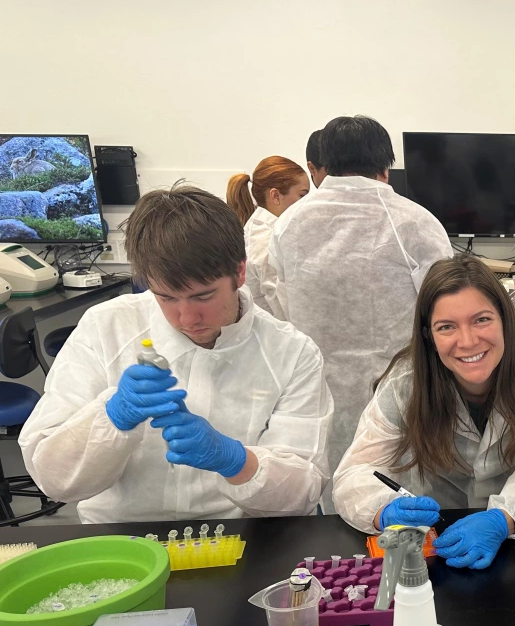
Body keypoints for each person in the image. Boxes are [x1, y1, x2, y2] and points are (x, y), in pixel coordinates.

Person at [20, 185, 334, 524]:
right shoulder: (106, 328)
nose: (186, 319)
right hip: (120, 535)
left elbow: (302, 493)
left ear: (239, 272)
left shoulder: (291, 353)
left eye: (203, 296)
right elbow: (52, 479)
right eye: (166, 298)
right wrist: (111, 418)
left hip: (236, 538)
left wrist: (238, 461)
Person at [333, 255, 515, 570]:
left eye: (481, 320)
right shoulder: (407, 382)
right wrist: (381, 509)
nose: (467, 341)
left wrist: (502, 518)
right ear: (429, 335)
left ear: (505, 319)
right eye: (446, 327)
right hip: (440, 539)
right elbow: (353, 474)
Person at [270, 115, 452, 499]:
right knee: (410, 502)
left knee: (339, 501)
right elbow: (446, 312)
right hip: (403, 389)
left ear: (323, 163)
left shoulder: (288, 223)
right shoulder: (415, 221)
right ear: (386, 164)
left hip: (318, 390)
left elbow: (280, 304)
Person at [225, 156, 309, 317]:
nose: (306, 203)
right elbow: (283, 310)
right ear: (276, 196)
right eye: (302, 196)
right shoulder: (264, 239)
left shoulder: (263, 229)